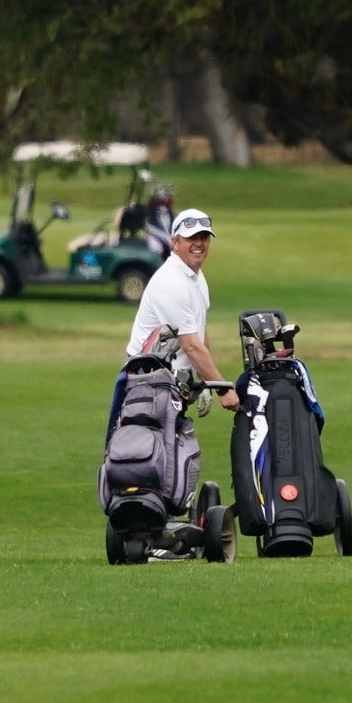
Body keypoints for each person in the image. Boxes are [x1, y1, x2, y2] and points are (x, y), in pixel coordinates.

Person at [119, 208, 240, 555]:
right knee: (156, 455)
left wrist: (206, 381)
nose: (199, 244)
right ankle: (154, 537)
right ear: (175, 241)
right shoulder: (172, 281)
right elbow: (189, 345)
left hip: (173, 381)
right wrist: (224, 389)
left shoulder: (195, 279)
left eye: (204, 237)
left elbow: (200, 339)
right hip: (148, 380)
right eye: (191, 238)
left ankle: (168, 533)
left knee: (175, 450)